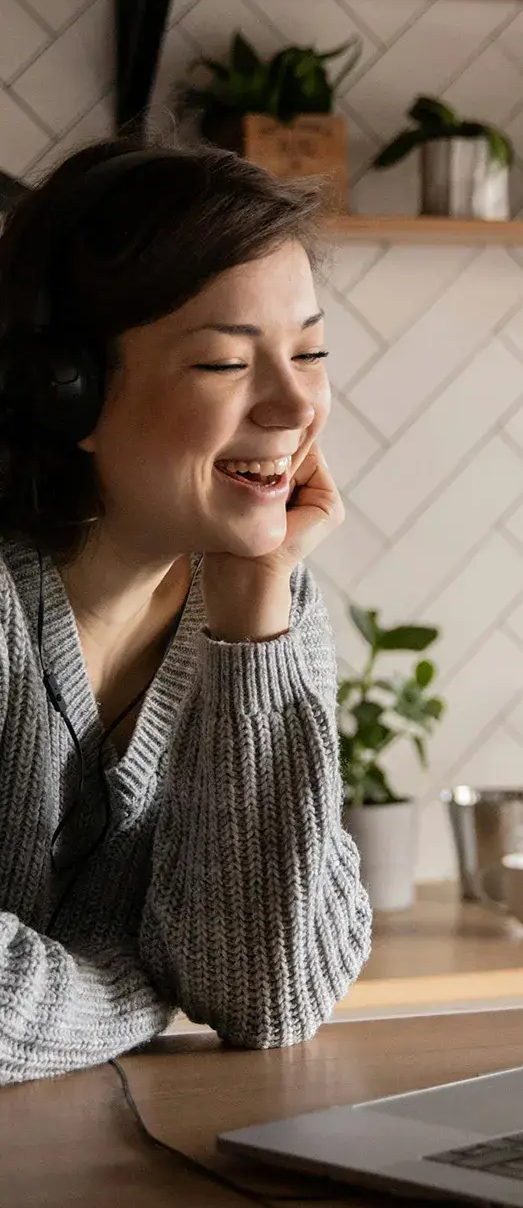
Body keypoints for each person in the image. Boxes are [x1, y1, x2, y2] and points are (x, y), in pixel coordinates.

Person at [0, 139, 372, 1084]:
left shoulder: (268, 607)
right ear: (63, 392)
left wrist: (255, 611)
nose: (294, 406)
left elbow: (267, 993)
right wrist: (144, 983)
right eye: (223, 364)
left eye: (311, 351)